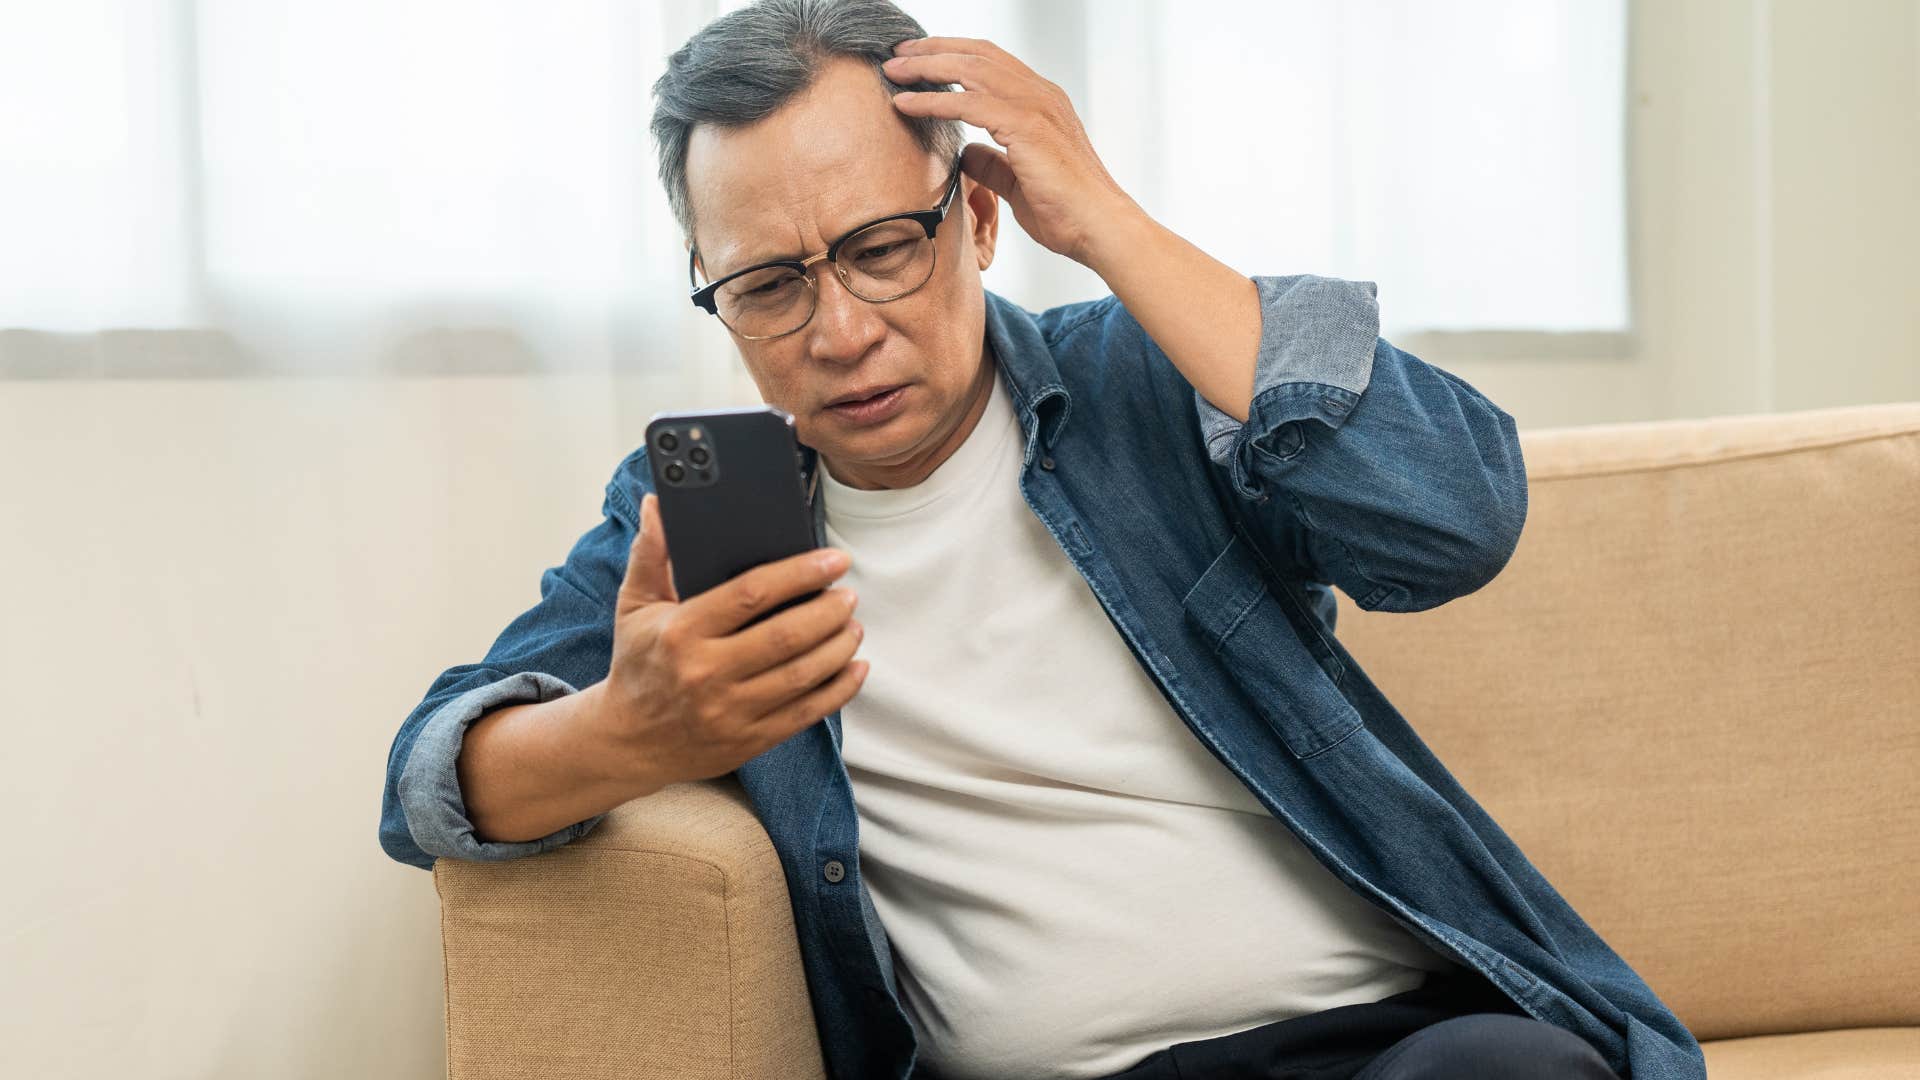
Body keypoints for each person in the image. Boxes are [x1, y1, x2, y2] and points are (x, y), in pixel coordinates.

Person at [378, 2, 1705, 1079]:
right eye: (770, 285)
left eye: (883, 247)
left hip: (1389, 1053)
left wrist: (1112, 228)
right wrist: (632, 737)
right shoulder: (704, 515)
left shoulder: (1150, 378)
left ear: (983, 218)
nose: (839, 333)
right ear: (715, 297)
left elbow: (1458, 520)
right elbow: (427, 779)